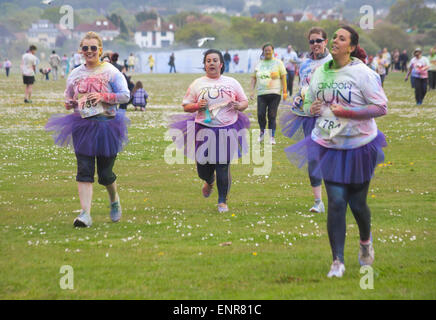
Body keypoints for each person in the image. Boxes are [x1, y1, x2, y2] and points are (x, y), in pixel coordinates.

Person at [284, 25, 388, 278]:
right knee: (337, 202)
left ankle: (365, 242)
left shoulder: (362, 73)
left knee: (358, 203)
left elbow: (381, 107)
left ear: (351, 47)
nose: (335, 41)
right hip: (329, 144)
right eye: (335, 37)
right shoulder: (320, 72)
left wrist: (349, 113)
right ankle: (337, 261)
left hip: (359, 145)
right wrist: (313, 107)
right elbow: (309, 106)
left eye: (342, 38)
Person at [45, 31, 130, 227]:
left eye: (93, 48)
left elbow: (125, 95)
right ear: (80, 51)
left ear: (100, 50)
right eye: (85, 48)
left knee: (105, 174)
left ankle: (114, 199)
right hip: (82, 125)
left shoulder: (111, 72)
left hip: (107, 125)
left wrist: (103, 97)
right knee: (84, 169)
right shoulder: (75, 73)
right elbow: (68, 96)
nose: (89, 51)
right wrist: (69, 103)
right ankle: (85, 214)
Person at [169, 49, 250, 213]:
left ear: (221, 64)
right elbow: (186, 106)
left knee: (222, 165)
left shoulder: (232, 82)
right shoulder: (197, 84)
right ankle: (209, 180)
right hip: (203, 128)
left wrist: (239, 106)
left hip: (227, 128)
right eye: (208, 60)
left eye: (215, 60)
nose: (211, 63)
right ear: (204, 65)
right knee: (203, 169)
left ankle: (222, 202)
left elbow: (244, 101)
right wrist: (197, 106)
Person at [280, 27, 332, 213]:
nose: (315, 44)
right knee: (313, 158)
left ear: (326, 42)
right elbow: (304, 88)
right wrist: (299, 99)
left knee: (333, 155)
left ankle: (339, 195)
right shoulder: (304, 64)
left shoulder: (334, 62)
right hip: (309, 116)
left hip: (332, 116)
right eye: (312, 41)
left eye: (319, 40)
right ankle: (318, 201)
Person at [251, 43, 287, 145]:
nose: (267, 52)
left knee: (272, 115)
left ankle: (271, 137)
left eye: (269, 50)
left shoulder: (278, 63)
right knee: (260, 114)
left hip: (275, 94)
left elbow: (284, 77)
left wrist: (285, 91)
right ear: (263, 52)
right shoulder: (258, 63)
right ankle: (262, 132)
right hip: (261, 93)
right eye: (265, 50)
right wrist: (252, 91)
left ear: (273, 51)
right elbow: (253, 78)